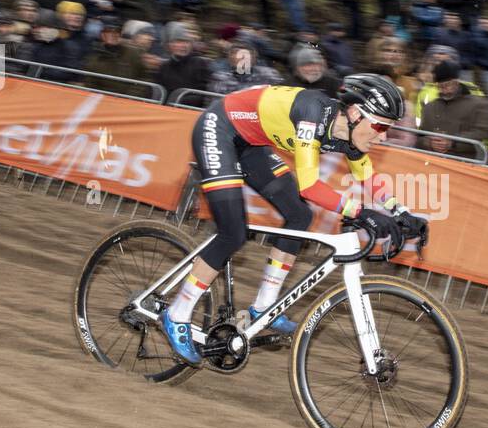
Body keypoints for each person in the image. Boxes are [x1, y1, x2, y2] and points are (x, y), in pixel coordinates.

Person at [161, 76, 426, 366]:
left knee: (300, 215)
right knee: (233, 232)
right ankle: (177, 313)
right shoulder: (312, 114)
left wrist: (400, 211)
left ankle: (263, 307)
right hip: (219, 127)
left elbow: (367, 178)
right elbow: (309, 187)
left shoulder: (351, 137)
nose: (384, 136)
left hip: (251, 143)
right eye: (380, 126)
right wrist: (361, 213)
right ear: (354, 114)